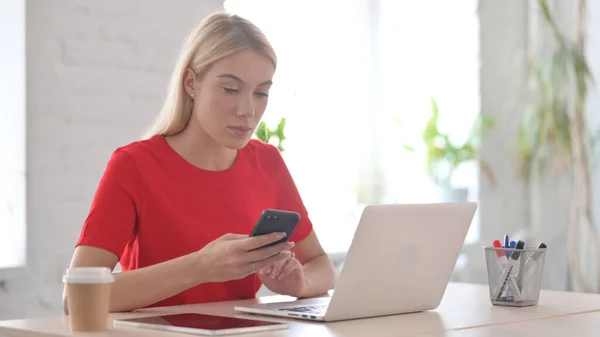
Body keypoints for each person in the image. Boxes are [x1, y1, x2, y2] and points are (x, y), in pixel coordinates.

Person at [62, 11, 335, 314]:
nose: (248, 110)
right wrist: (201, 267)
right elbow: (76, 298)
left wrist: (298, 284)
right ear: (191, 82)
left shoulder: (267, 162)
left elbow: (321, 265)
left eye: (261, 93)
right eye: (230, 89)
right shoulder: (133, 165)